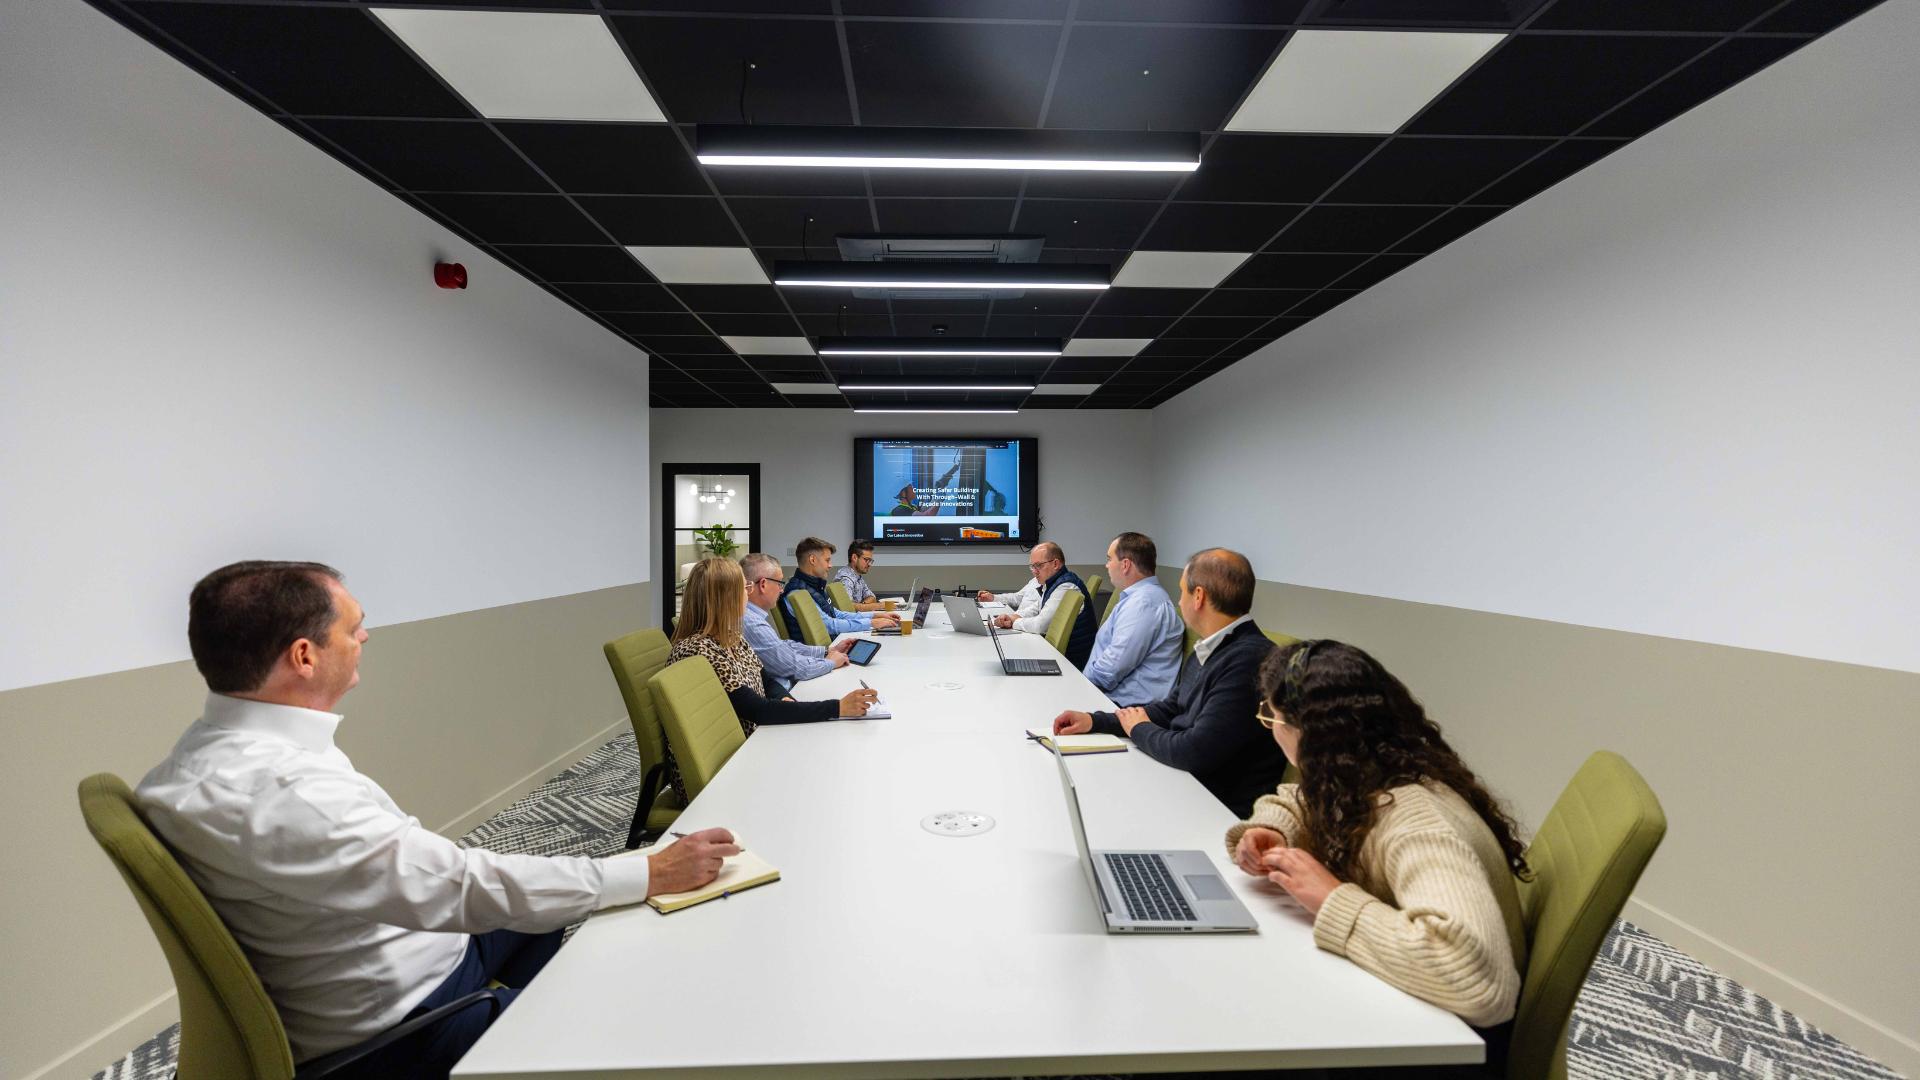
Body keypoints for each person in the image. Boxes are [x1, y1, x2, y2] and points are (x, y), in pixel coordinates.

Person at [136, 561, 740, 1079]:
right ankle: (541, 1040)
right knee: (636, 1014)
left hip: (412, 948)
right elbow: (459, 885)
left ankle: (538, 1018)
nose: (365, 636)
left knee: (556, 908)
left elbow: (429, 875)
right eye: (352, 627)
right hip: (406, 1026)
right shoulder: (288, 792)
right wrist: (648, 873)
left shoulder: (201, 759)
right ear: (304, 656)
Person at [1228, 640, 1530, 1038]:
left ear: (1308, 733)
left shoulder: (1415, 824)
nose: (1270, 728)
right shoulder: (1367, 773)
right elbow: (1298, 800)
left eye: (1272, 716)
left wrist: (1331, 898)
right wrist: (1272, 827)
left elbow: (1477, 980)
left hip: (1445, 1047)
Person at [1050, 548, 1287, 817]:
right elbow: (1172, 707)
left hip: (1215, 811)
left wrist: (1138, 729)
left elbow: (1193, 751)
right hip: (1183, 783)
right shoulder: (1214, 646)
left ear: (1199, 597)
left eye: (1183, 591)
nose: (1180, 600)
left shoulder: (1249, 660)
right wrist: (1096, 721)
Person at [668, 557, 877, 801]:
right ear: (725, 597)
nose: (748, 596)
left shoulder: (729, 636)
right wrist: (838, 707)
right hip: (726, 769)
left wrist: (785, 698)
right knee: (826, 774)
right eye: (744, 589)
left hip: (749, 745)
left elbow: (765, 680)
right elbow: (758, 710)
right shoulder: (701, 650)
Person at [1081, 532, 1184, 705]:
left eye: (1109, 559)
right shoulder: (1140, 599)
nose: (1106, 566)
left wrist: (1079, 687)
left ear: (1125, 565)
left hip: (1121, 707)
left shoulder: (1143, 604)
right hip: (1110, 699)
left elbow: (1110, 670)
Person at [741, 552, 858, 696]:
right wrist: (830, 662)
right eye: (779, 583)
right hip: (789, 693)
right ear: (764, 584)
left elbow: (782, 645)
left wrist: (827, 651)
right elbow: (796, 668)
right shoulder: (752, 624)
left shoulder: (753, 617)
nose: (782, 589)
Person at [987, 541, 1096, 669]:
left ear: (1055, 564)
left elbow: (1040, 625)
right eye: (1032, 567)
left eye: (1038, 566)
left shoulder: (1066, 586)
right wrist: (1012, 617)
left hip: (1072, 663)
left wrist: (1014, 622)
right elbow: (1037, 607)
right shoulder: (1054, 583)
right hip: (1063, 656)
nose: (1034, 571)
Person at [780, 536, 898, 639]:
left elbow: (837, 614)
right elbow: (829, 625)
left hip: (834, 643)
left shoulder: (813, 587)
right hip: (825, 653)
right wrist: (871, 623)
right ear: (812, 560)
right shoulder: (798, 592)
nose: (830, 565)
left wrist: (875, 616)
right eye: (827, 560)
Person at [829, 539, 886, 611]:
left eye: (870, 561)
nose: (869, 564)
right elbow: (848, 607)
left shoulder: (857, 576)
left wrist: (863, 605)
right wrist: (879, 606)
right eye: (866, 560)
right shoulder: (846, 579)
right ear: (854, 558)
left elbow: (872, 597)